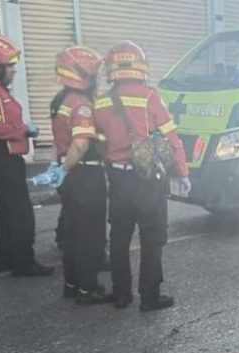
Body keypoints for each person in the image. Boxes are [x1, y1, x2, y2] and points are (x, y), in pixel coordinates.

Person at [94, 41, 190, 312]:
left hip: (117, 177)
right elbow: (172, 137)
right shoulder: (149, 96)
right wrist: (182, 172)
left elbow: (98, 139)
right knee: (152, 236)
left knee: (120, 237)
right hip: (147, 178)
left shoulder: (101, 100)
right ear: (139, 67)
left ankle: (121, 294)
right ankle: (149, 297)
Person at [0, 35, 53, 277]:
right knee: (21, 211)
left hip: (7, 158)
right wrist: (24, 130)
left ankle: (5, 258)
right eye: (10, 66)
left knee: (7, 209)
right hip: (0, 158)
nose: (14, 71)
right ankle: (24, 262)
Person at [50, 45, 112, 305]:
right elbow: (80, 144)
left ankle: (73, 284)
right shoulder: (81, 104)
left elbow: (60, 142)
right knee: (90, 234)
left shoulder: (60, 99)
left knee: (73, 234)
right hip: (85, 175)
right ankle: (88, 288)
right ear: (84, 75)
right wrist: (67, 169)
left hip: (70, 175)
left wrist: (60, 170)